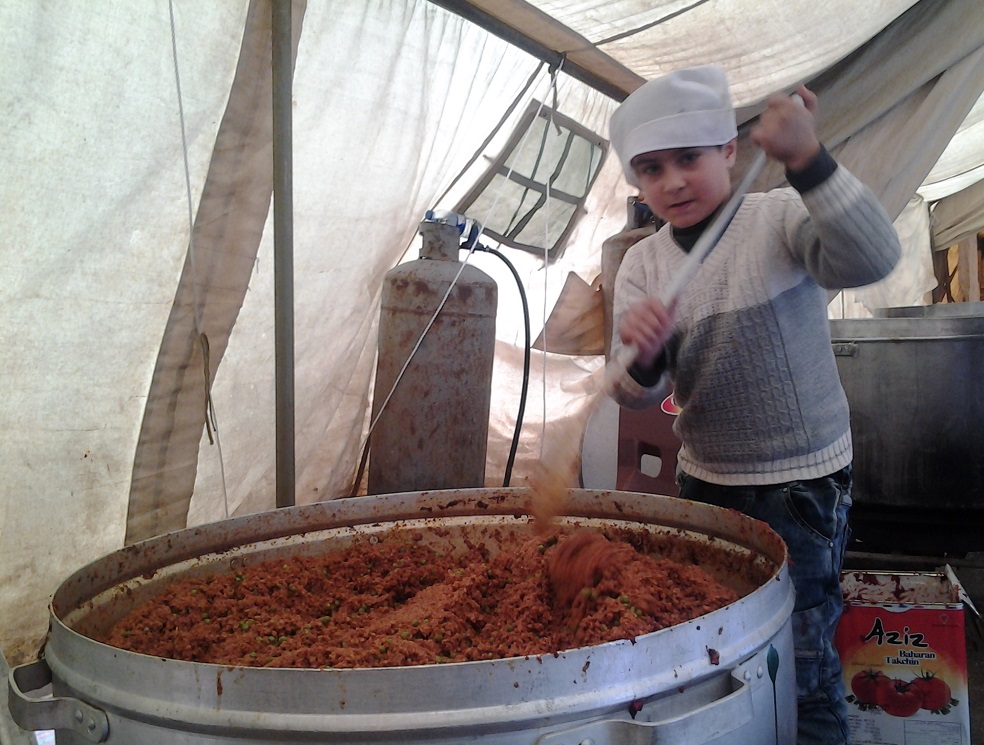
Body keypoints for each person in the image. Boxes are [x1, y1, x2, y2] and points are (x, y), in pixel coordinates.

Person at [606, 65, 901, 745]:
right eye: (651, 169)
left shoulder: (776, 219)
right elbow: (633, 391)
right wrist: (642, 353)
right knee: (717, 643)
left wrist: (808, 160)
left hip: (799, 484)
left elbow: (873, 257)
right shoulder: (643, 266)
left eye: (689, 158)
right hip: (706, 481)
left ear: (730, 152)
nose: (673, 181)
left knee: (800, 659)